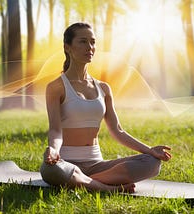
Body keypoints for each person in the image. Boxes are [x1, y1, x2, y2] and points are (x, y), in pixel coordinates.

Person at [40, 22, 171, 193]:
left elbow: (117, 130)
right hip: (66, 164)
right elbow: (56, 130)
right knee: (50, 170)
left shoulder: (103, 88)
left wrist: (150, 151)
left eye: (93, 42)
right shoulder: (56, 87)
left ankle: (83, 182)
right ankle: (108, 188)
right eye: (83, 41)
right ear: (68, 47)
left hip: (98, 166)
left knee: (152, 163)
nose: (90, 47)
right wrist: (53, 150)